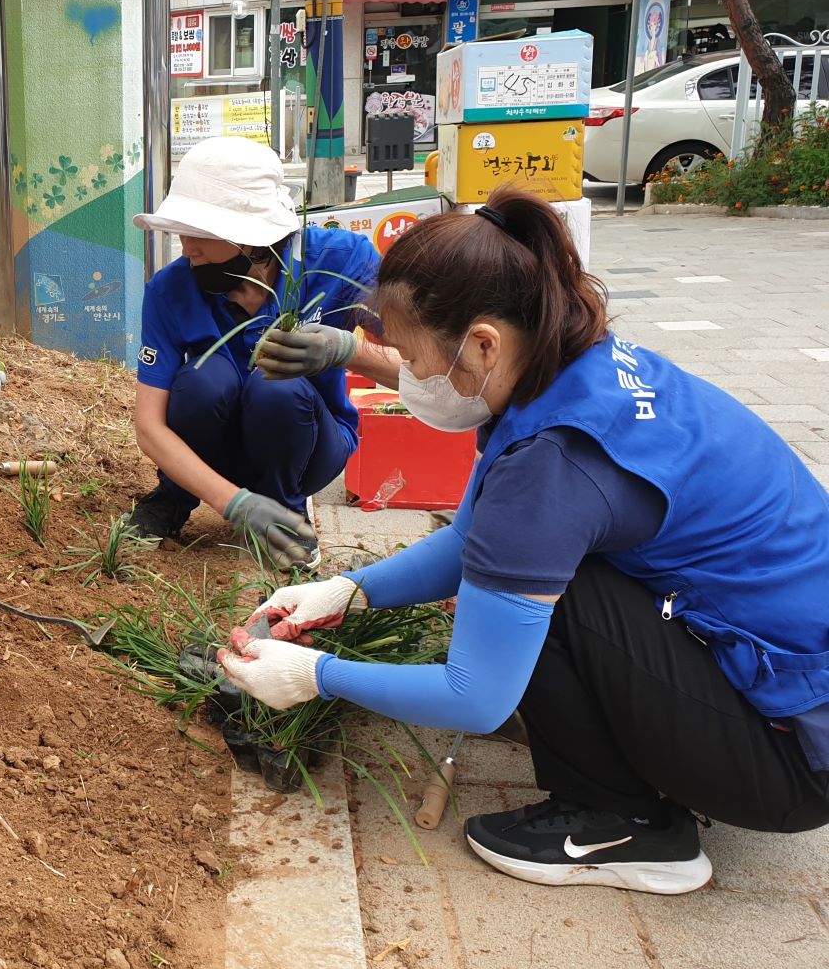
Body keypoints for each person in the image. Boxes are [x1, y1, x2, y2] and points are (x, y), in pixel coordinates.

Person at [217, 189, 829, 894]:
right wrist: (347, 594)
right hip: (777, 683)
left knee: (544, 603)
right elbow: (479, 542)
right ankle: (627, 758)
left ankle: (624, 825)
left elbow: (473, 694)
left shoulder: (553, 463)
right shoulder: (573, 368)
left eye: (413, 359)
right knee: (516, 588)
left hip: (789, 756)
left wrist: (312, 676)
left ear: (482, 343)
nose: (408, 376)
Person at [126, 136, 401, 564]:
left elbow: (423, 370)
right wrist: (232, 503)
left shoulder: (340, 263)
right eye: (183, 230)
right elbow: (148, 425)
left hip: (307, 445)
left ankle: (286, 510)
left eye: (201, 232)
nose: (186, 245)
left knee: (277, 388)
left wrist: (347, 349)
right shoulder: (170, 290)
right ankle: (175, 498)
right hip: (213, 454)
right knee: (202, 380)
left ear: (252, 236)